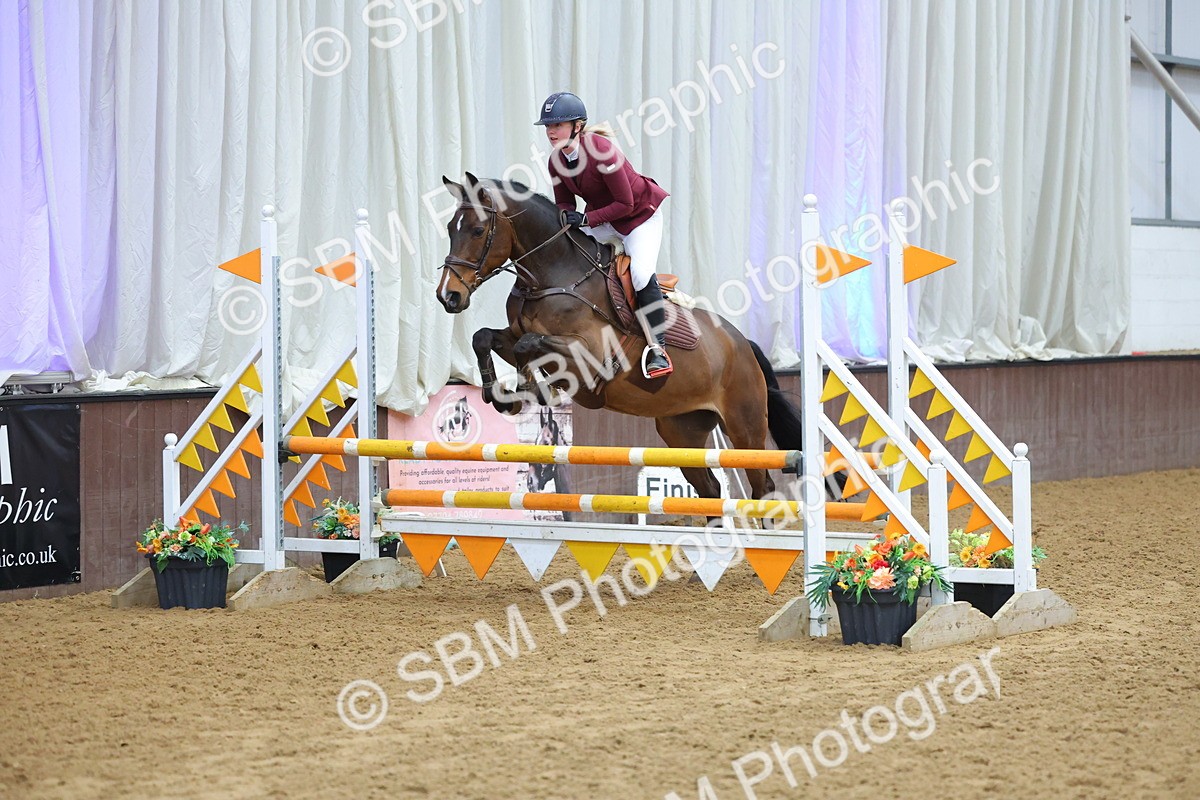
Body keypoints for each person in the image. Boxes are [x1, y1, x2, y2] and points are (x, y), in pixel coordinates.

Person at [536, 91, 673, 379]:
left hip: (639, 217)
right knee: (575, 258)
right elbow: (564, 203)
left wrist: (586, 219)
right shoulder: (555, 161)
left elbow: (626, 203)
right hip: (604, 218)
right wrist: (564, 218)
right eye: (548, 126)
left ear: (578, 126)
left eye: (557, 125)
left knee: (639, 273)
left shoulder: (603, 152)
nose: (550, 131)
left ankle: (658, 348)